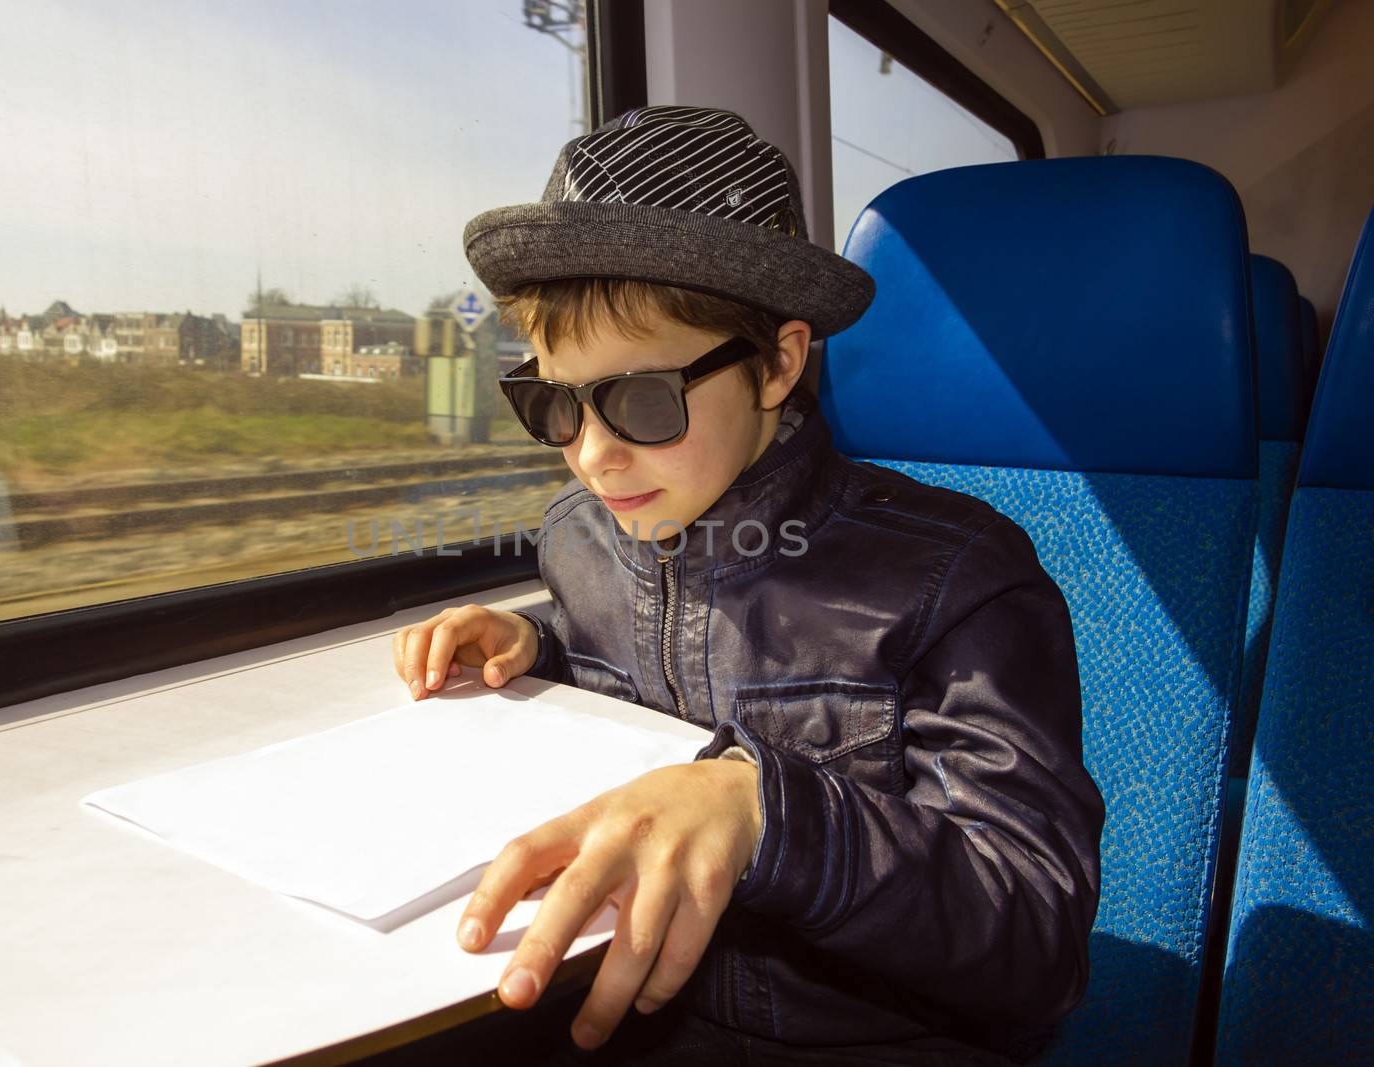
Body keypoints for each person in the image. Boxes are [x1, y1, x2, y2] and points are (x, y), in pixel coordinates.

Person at [391, 105, 1104, 1065]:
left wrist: (766, 812)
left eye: (642, 400)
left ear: (777, 362)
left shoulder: (955, 580)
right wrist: (536, 650)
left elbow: (1033, 940)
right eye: (553, 403)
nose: (593, 456)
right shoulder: (578, 543)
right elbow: (634, 661)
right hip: (623, 1019)